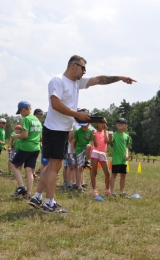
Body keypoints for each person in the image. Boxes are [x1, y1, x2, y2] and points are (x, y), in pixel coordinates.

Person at [29, 54, 136, 213]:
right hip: (55, 129)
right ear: (73, 65)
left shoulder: (77, 82)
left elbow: (99, 79)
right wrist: (77, 114)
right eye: (83, 68)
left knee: (52, 165)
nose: (85, 72)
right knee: (55, 167)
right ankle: (49, 203)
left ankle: (37, 196)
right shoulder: (57, 81)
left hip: (62, 129)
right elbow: (55, 103)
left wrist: (120, 77)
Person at [11, 101, 42, 199]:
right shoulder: (37, 120)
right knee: (29, 170)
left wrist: (16, 136)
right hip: (36, 148)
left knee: (14, 165)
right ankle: (28, 193)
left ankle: (21, 187)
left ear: (23, 109)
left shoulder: (26, 119)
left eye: (20, 112)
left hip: (26, 147)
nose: (21, 114)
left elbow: (24, 135)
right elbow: (41, 137)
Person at [91, 122, 113, 197]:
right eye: (100, 123)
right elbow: (96, 145)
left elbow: (106, 141)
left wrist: (105, 131)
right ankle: (94, 190)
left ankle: (107, 190)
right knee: (94, 171)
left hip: (103, 153)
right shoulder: (95, 132)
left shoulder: (106, 132)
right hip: (95, 152)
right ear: (97, 124)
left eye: (103, 123)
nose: (102, 124)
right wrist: (93, 137)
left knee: (107, 173)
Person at [110, 118, 130, 198]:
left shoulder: (127, 136)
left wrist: (127, 154)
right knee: (114, 175)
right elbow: (110, 140)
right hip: (116, 159)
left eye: (122, 123)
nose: (120, 124)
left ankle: (122, 192)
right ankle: (112, 192)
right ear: (116, 125)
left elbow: (126, 147)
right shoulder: (114, 134)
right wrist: (110, 135)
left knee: (123, 176)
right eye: (118, 122)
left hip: (123, 160)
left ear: (126, 126)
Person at [70, 122, 93, 192]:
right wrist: (71, 153)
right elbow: (73, 142)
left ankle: (87, 161)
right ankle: (79, 186)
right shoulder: (77, 131)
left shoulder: (90, 131)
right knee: (79, 168)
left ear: (88, 124)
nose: (84, 127)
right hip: (79, 150)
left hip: (87, 150)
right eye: (82, 126)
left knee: (88, 146)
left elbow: (92, 142)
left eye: (85, 126)